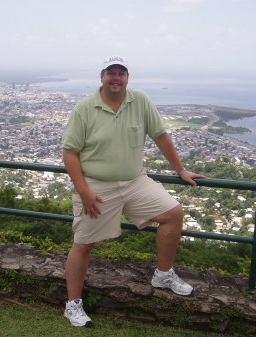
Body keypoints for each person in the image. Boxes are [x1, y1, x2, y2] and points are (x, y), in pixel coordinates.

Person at [61, 56, 206, 327]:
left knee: (173, 213)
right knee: (83, 243)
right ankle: (73, 304)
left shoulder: (139, 100)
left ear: (127, 78)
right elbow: (69, 153)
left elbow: (161, 135)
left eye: (121, 73)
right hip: (97, 185)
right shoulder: (85, 108)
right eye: (111, 73)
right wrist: (84, 192)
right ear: (102, 77)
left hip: (135, 181)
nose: (116, 78)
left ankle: (163, 275)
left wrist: (180, 170)